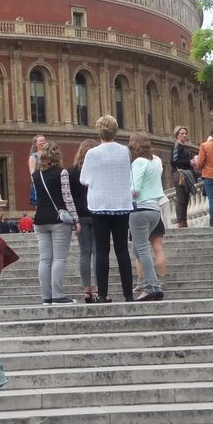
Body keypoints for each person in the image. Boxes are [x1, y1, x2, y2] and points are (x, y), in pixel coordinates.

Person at [80, 115, 134, 302]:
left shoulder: (92, 153)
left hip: (100, 204)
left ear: (99, 131)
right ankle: (129, 294)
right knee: (122, 250)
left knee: (102, 250)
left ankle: (102, 294)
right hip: (121, 203)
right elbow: (128, 173)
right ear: (115, 130)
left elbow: (84, 179)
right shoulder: (125, 151)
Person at [32, 141, 79, 304]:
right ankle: (58, 295)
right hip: (58, 219)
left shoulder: (36, 174)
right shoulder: (62, 172)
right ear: (58, 155)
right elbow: (67, 198)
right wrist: (76, 219)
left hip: (39, 220)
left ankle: (46, 296)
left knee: (44, 259)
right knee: (59, 259)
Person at [127, 132, 166, 302]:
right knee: (138, 248)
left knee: (141, 248)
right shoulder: (151, 163)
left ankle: (151, 286)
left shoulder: (138, 163)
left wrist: (126, 198)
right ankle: (151, 285)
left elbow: (135, 187)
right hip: (154, 209)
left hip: (140, 208)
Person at [69, 139, 98, 302]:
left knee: (84, 253)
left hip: (80, 216)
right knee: (98, 251)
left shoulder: (72, 171)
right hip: (97, 213)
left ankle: (87, 289)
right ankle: (100, 288)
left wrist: (74, 219)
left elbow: (69, 197)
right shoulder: (98, 170)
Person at [170, 126, 196, 228]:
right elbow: (173, 161)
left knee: (186, 198)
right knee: (181, 197)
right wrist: (189, 162)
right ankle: (181, 221)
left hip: (187, 173)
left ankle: (184, 220)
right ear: (177, 135)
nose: (184, 135)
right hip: (179, 174)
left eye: (185, 133)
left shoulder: (186, 147)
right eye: (182, 133)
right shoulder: (177, 146)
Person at [26, 134, 47, 207]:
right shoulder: (34, 156)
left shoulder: (49, 155)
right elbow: (32, 171)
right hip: (39, 183)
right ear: (36, 144)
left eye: (44, 140)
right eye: (41, 141)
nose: (43, 142)